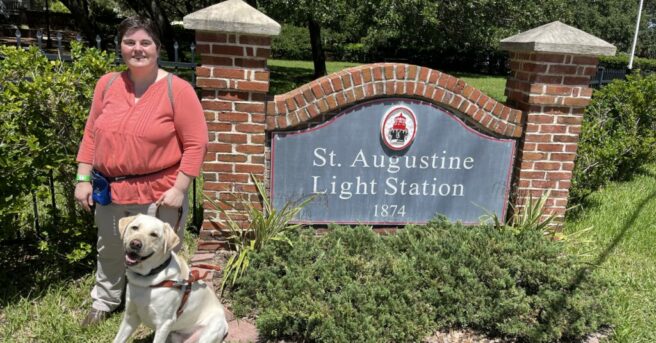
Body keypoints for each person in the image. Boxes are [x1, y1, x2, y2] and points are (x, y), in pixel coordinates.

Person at [74, 16, 208, 327]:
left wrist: (180, 187)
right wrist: (82, 178)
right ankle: (104, 301)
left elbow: (197, 143)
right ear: (120, 47)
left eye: (145, 42)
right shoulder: (107, 84)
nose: (138, 49)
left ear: (158, 48)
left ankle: (163, 306)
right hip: (111, 190)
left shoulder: (178, 90)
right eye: (130, 42)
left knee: (158, 253)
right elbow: (91, 134)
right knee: (109, 248)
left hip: (158, 192)